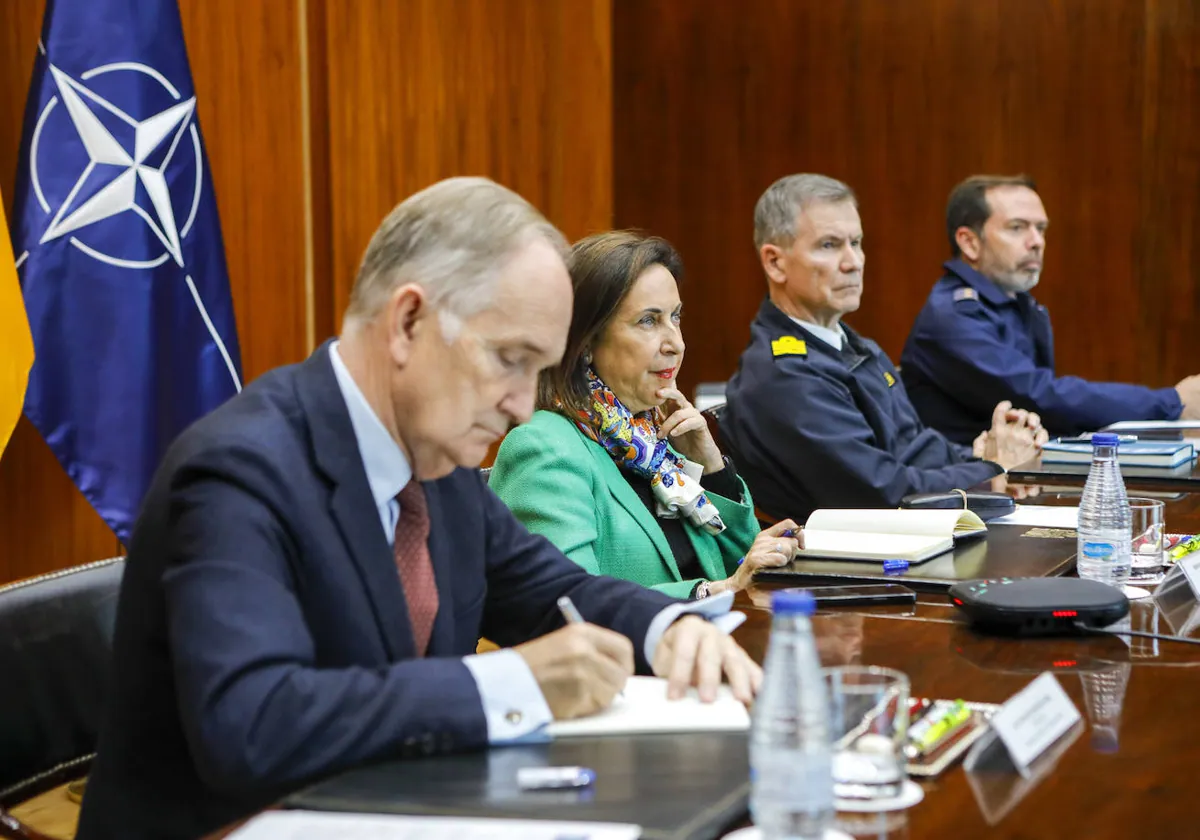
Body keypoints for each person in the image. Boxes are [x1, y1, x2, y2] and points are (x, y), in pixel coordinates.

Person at [76, 179, 761, 840]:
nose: (524, 404)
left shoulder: (437, 463)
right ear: (408, 322)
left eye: (538, 367)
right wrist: (512, 682)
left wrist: (667, 628)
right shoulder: (239, 469)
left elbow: (553, 588)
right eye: (509, 360)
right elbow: (253, 726)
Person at [489, 231, 802, 600]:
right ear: (585, 342)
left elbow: (739, 565)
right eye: (649, 322)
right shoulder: (543, 449)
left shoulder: (651, 440)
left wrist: (713, 469)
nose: (676, 343)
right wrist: (712, 592)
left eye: (676, 317)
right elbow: (565, 604)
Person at [719, 174, 1045, 523]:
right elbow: (884, 493)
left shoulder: (851, 345)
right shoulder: (784, 375)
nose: (854, 261)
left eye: (856, 243)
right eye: (829, 245)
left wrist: (984, 452)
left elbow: (916, 447)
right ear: (775, 262)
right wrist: (993, 469)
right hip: (856, 568)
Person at [900, 174, 1200, 442]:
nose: (1037, 242)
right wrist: (1170, 403)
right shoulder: (951, 318)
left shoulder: (1016, 304)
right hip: (966, 490)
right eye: (1017, 228)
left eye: (1041, 229)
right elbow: (1037, 395)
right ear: (969, 242)